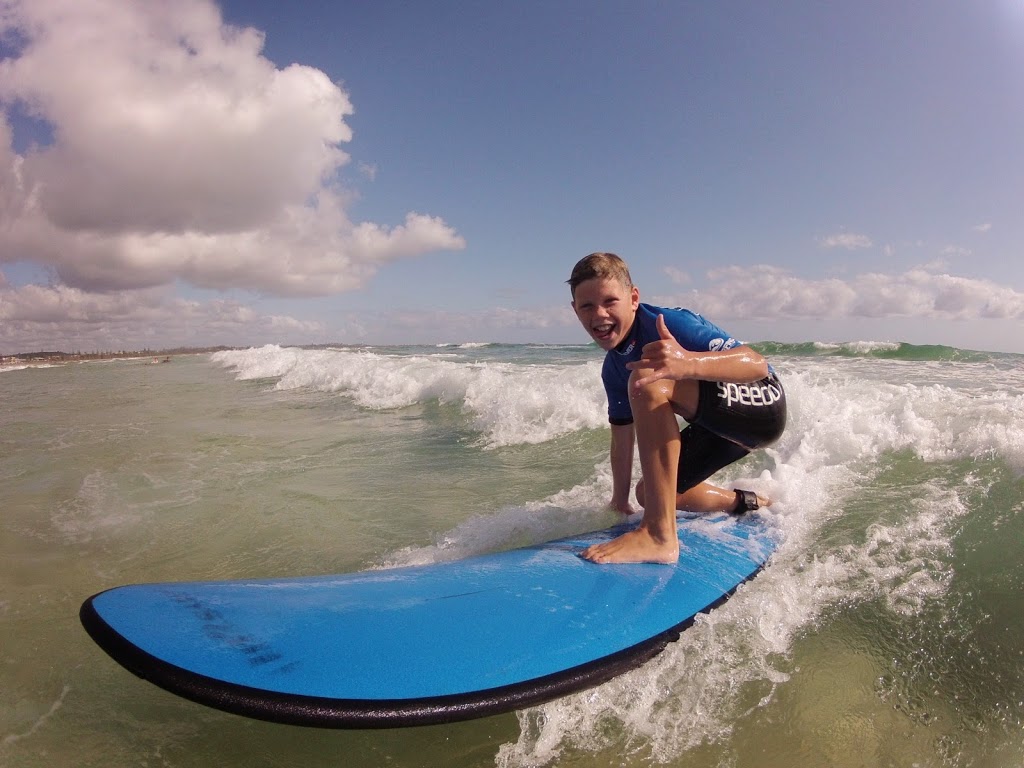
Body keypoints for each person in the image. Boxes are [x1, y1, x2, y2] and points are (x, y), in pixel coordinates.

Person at [568, 252, 786, 564]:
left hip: (762, 405)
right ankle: (745, 503)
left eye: (610, 301)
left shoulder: (669, 323)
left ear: (633, 298)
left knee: (646, 378)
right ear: (575, 310)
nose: (599, 314)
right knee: (651, 494)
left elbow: (756, 364)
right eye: (587, 306)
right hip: (719, 431)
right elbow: (621, 438)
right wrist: (619, 502)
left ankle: (659, 536)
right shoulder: (612, 369)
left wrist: (687, 362)